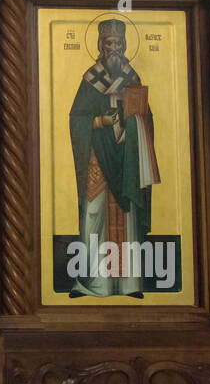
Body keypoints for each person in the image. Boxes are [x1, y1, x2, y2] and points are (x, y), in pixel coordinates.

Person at [67, 18, 158, 297]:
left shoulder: (132, 78)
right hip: (97, 156)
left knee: (126, 217)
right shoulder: (91, 79)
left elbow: (146, 118)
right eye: (109, 43)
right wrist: (100, 121)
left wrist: (135, 122)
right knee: (94, 215)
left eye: (118, 43)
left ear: (125, 45)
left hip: (125, 158)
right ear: (100, 46)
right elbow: (76, 120)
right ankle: (96, 283)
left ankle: (129, 283)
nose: (114, 49)